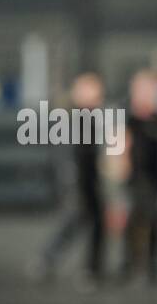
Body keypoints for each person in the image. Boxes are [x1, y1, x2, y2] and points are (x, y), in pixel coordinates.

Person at [32, 72, 106, 289]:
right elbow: (66, 156)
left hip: (89, 180)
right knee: (76, 220)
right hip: (77, 182)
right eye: (93, 90)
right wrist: (73, 185)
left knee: (94, 223)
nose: (98, 96)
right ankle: (49, 259)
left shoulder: (91, 117)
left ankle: (90, 268)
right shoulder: (72, 119)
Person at [120, 70, 157, 283]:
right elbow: (122, 147)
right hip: (137, 177)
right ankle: (130, 263)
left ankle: (150, 264)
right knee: (140, 218)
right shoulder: (129, 119)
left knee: (153, 219)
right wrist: (122, 172)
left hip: (155, 177)